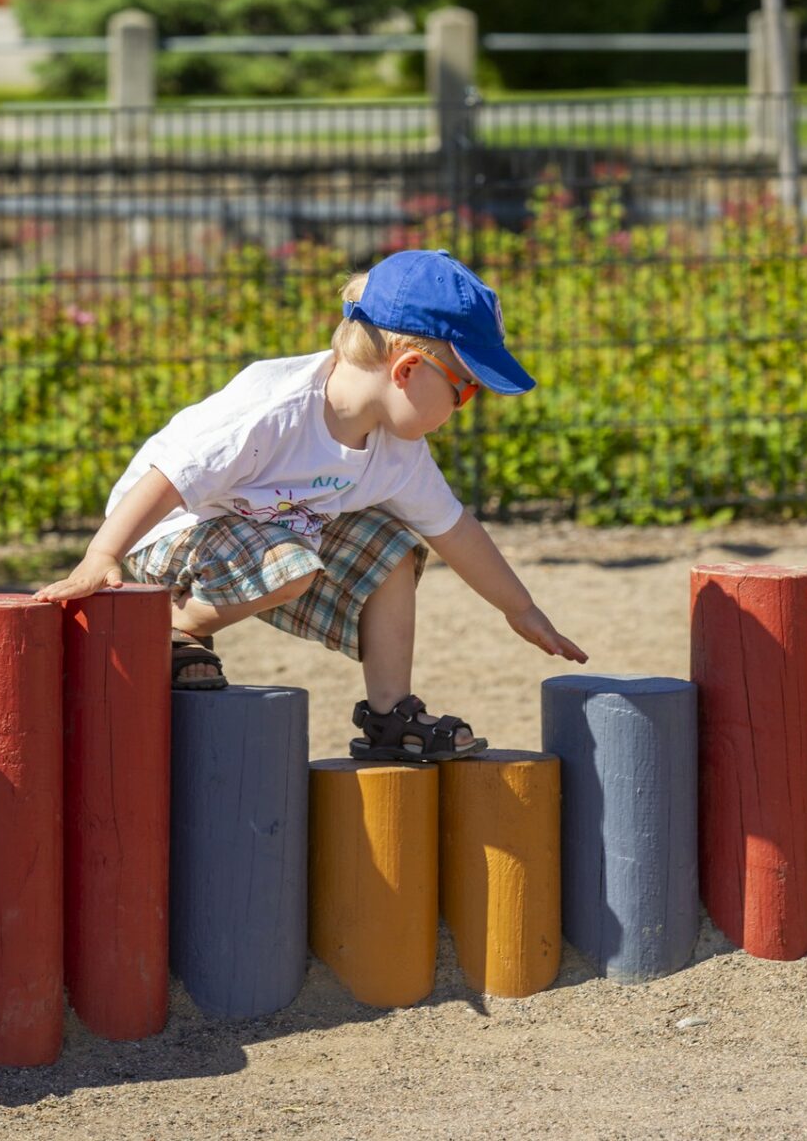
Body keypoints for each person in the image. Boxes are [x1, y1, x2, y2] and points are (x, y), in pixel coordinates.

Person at [34, 248, 588, 762]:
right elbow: (172, 475)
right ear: (407, 370)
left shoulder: (398, 451)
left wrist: (520, 608)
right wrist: (103, 553)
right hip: (169, 532)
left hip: (271, 541)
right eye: (464, 390)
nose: (465, 406)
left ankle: (390, 716)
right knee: (291, 565)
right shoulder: (275, 409)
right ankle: (171, 628)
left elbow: (455, 532)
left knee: (391, 548)